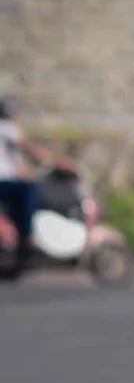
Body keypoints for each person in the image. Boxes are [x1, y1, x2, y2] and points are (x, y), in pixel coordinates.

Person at [0, 97, 51, 266]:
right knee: (30, 190)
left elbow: (17, 166)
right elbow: (29, 147)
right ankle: (27, 235)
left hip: (7, 182)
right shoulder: (7, 127)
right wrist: (49, 158)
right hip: (4, 184)